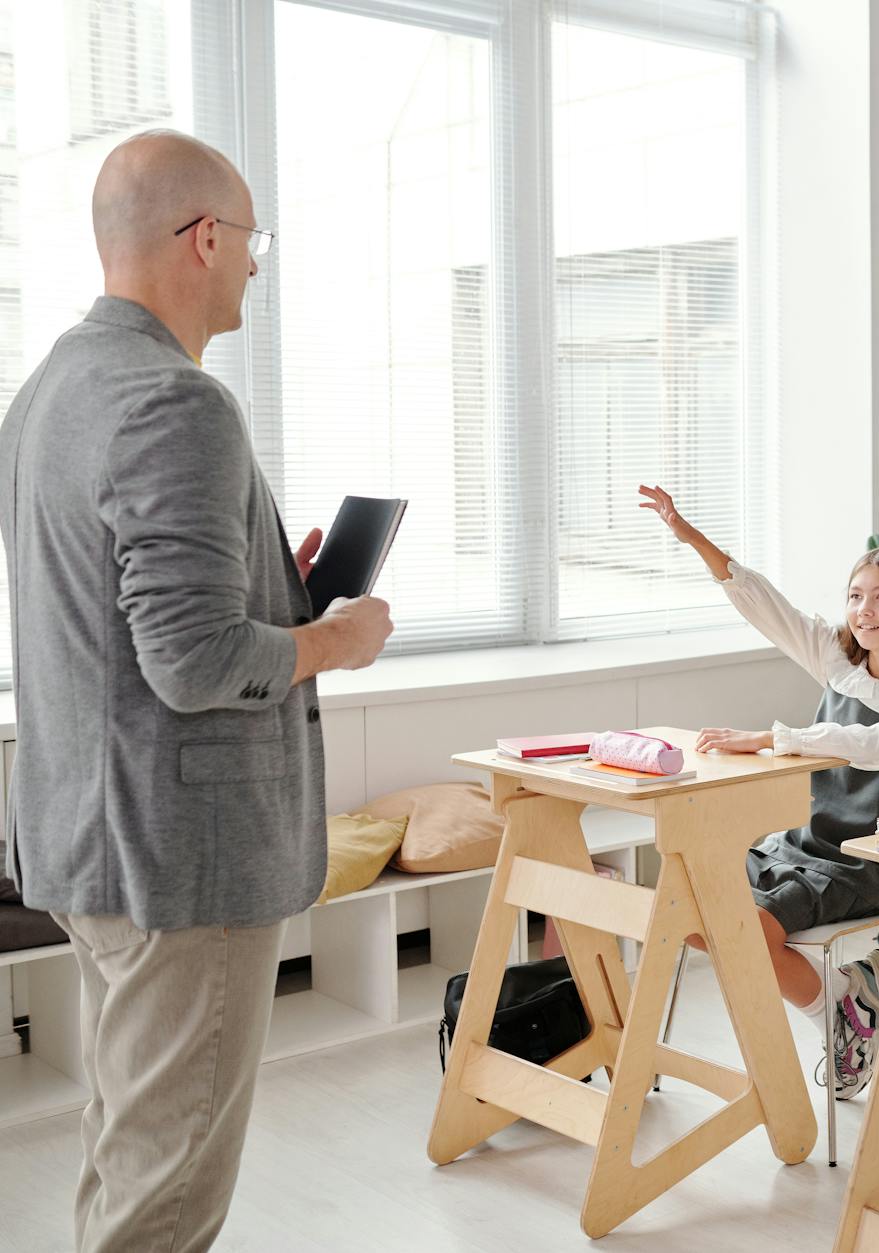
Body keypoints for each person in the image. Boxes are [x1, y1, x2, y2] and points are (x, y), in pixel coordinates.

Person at [0, 130, 393, 1252]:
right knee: (166, 1191)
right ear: (205, 238)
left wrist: (281, 590)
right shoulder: (179, 404)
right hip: (181, 856)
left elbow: (115, 626)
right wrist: (335, 638)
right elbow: (192, 663)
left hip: (83, 834)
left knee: (130, 1142)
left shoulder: (44, 395)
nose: (256, 267)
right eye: (251, 239)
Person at [639, 485, 879, 1098]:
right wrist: (691, 538)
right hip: (800, 843)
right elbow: (766, 606)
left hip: (866, 861)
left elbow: (871, 746)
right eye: (855, 597)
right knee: (685, 908)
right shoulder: (841, 662)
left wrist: (770, 738)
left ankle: (838, 1016)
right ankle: (846, 1001)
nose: (863, 610)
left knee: (752, 932)